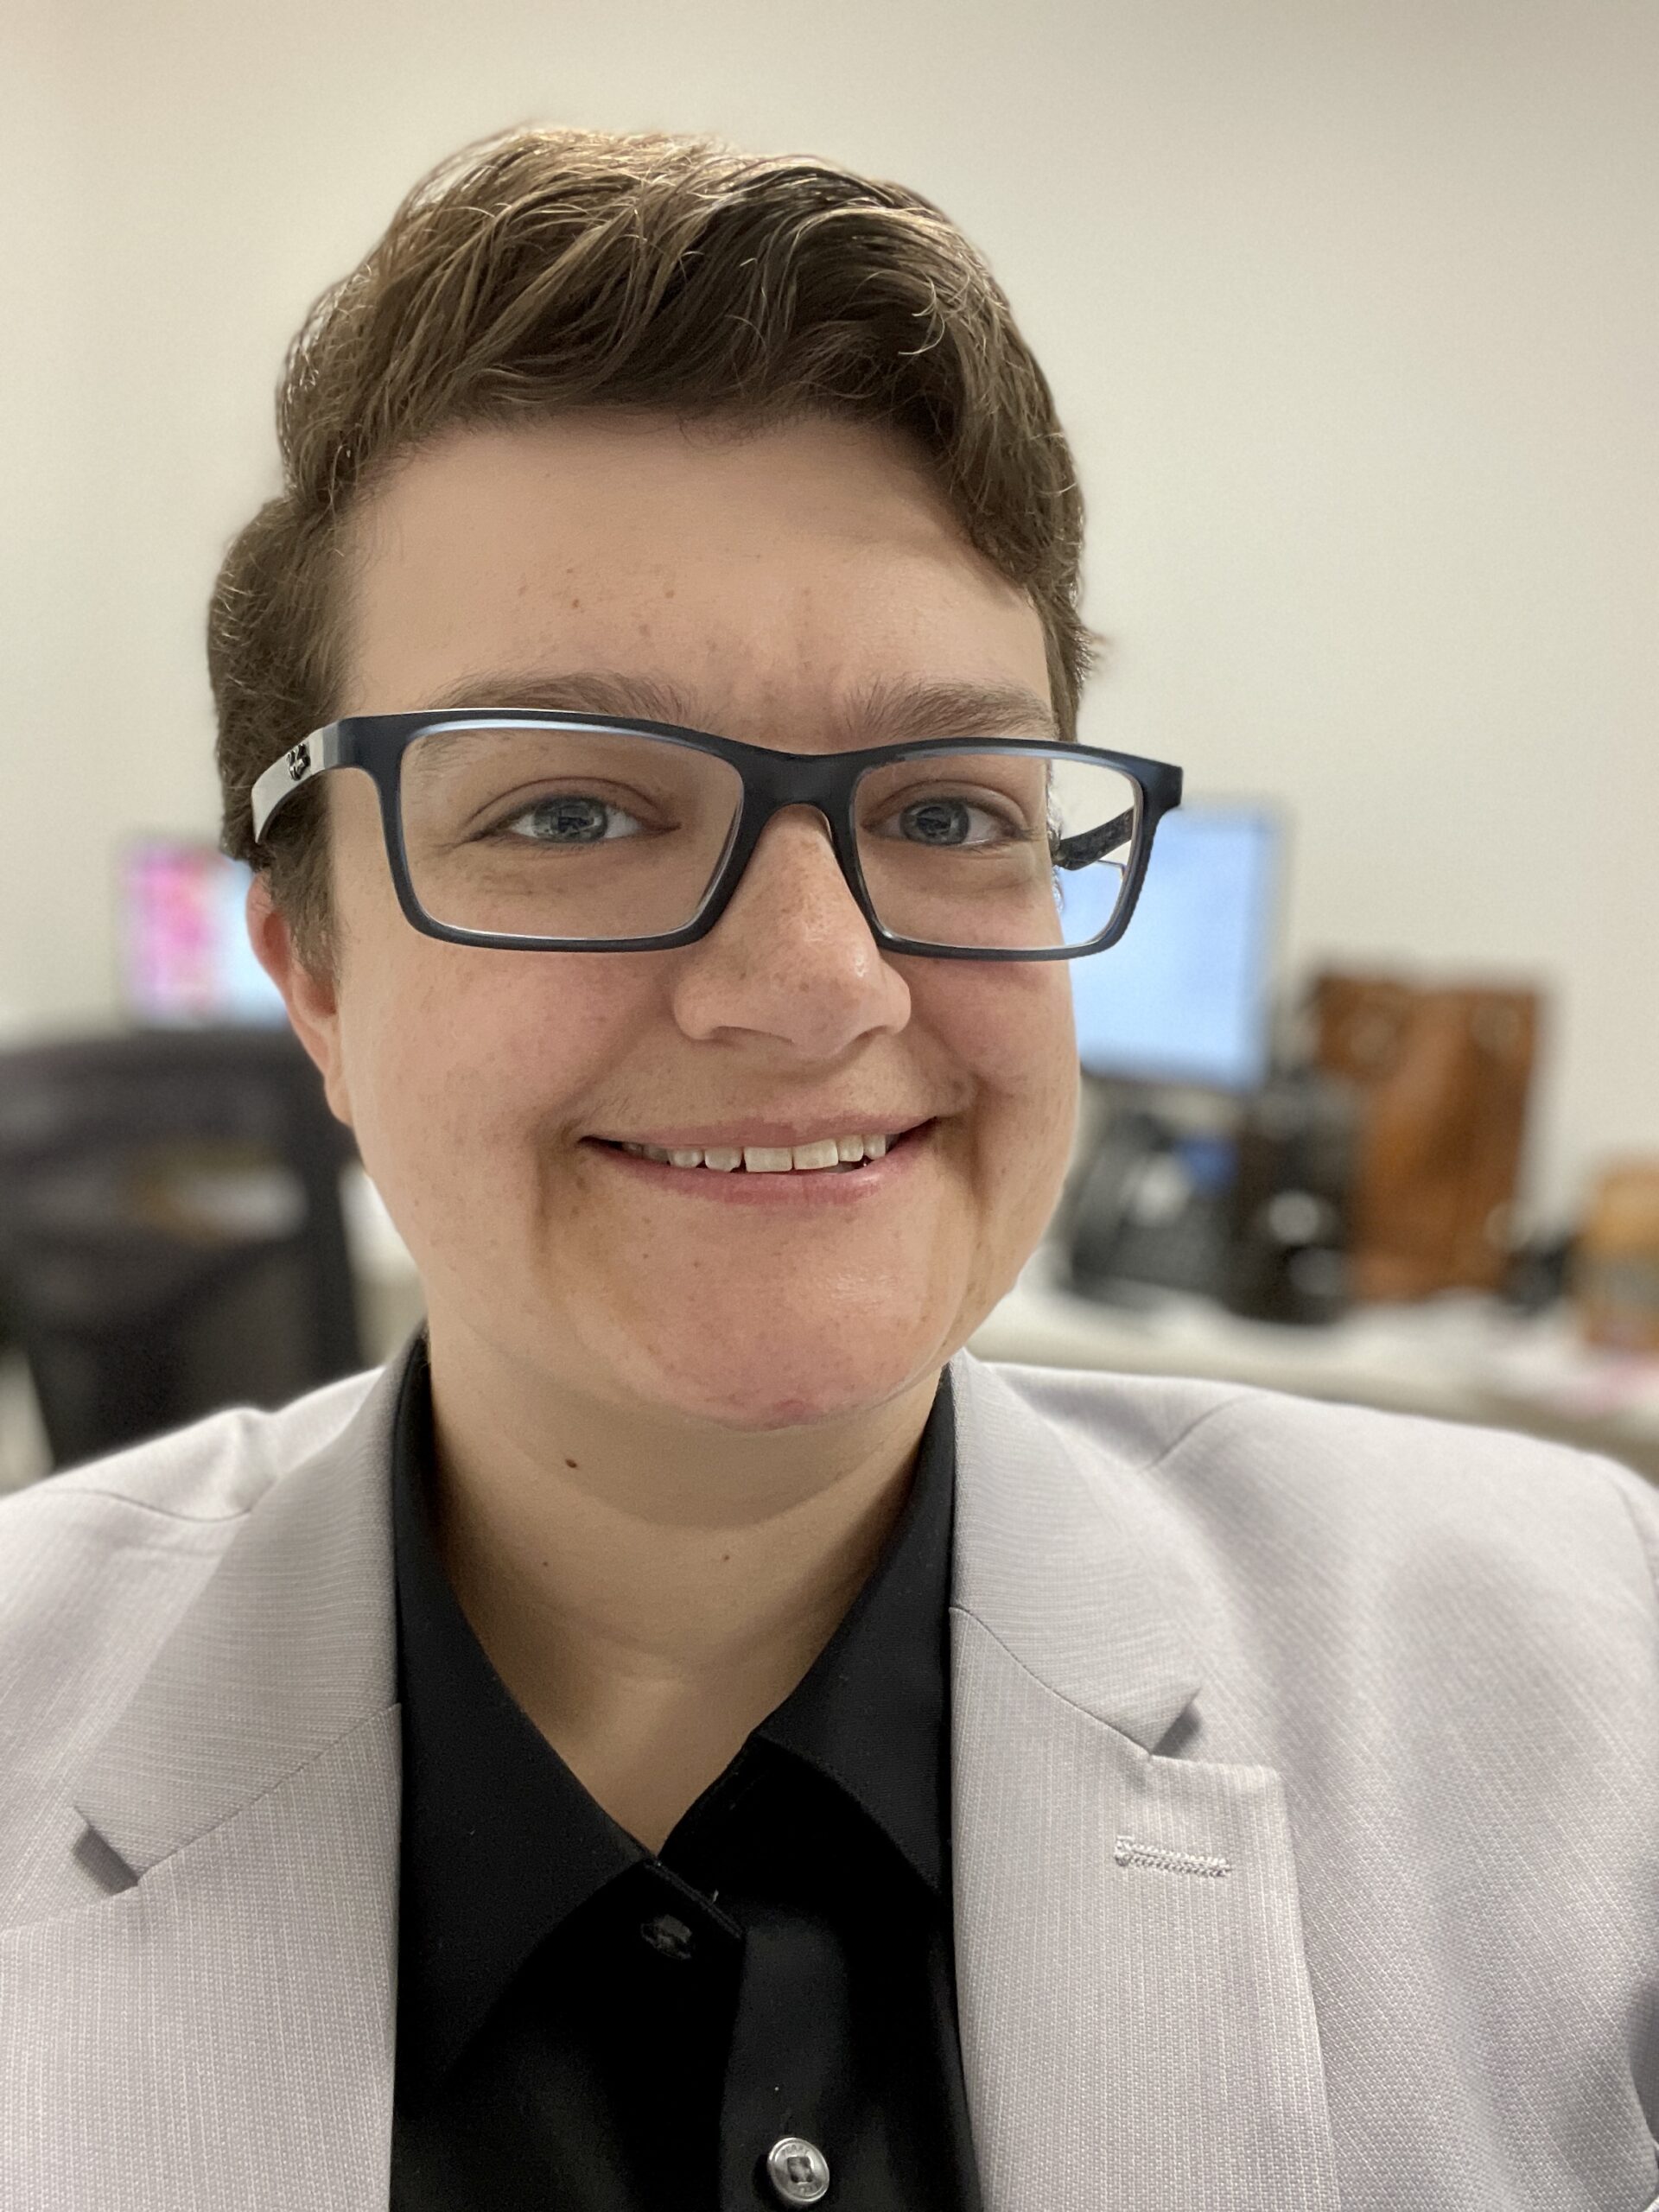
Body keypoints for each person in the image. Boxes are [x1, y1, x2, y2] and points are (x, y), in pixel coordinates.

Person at [0, 126, 1654, 2212]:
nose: (811, 981)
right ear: (312, 976)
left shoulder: (1583, 1687)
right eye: (578, 813)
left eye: (951, 808)